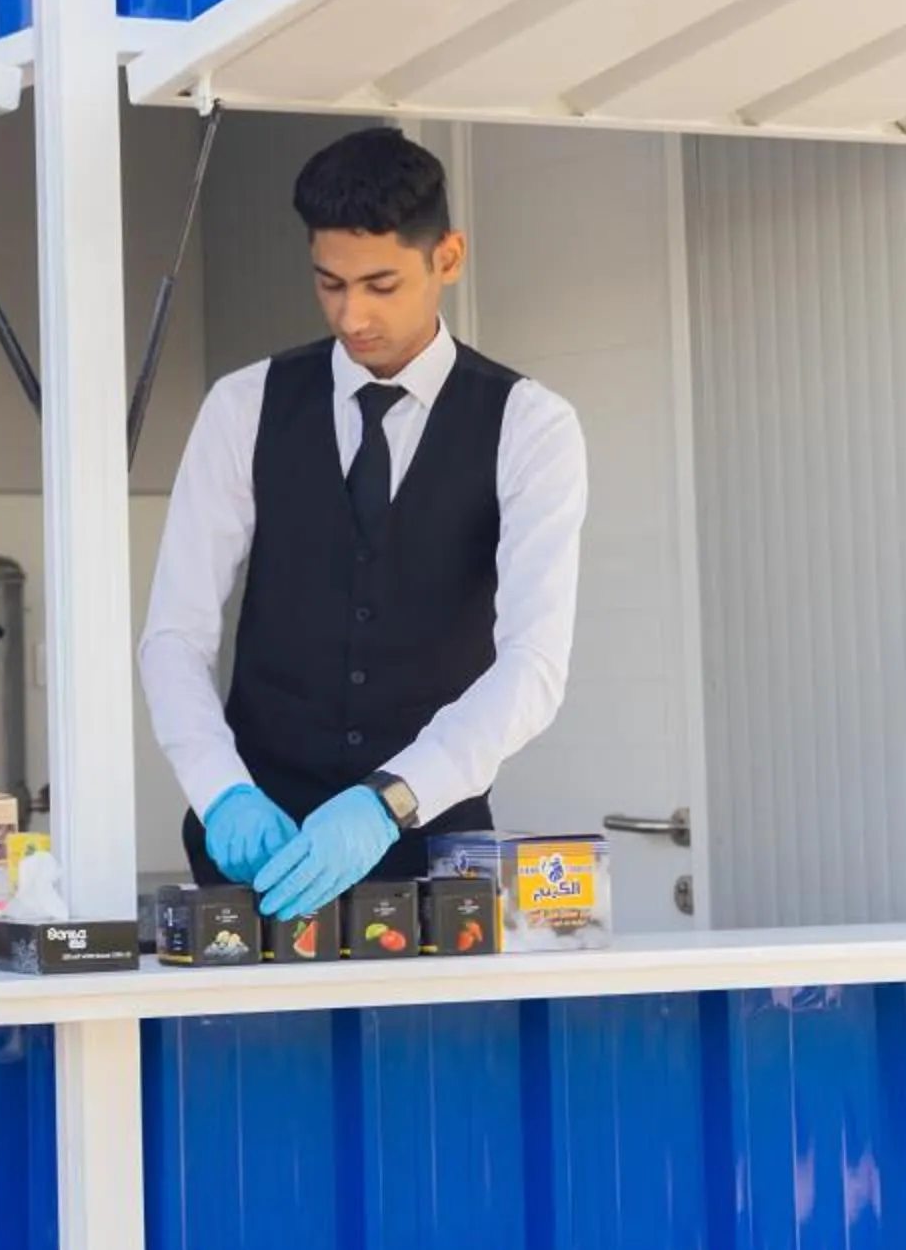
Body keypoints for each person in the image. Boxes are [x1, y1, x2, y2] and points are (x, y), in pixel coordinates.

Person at [138, 126, 588, 921]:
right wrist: (222, 792)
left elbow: (533, 667)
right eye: (330, 284)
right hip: (253, 860)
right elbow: (174, 637)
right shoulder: (244, 407)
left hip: (436, 855)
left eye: (381, 285)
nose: (353, 316)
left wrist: (390, 801)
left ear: (446, 258)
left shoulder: (530, 425)